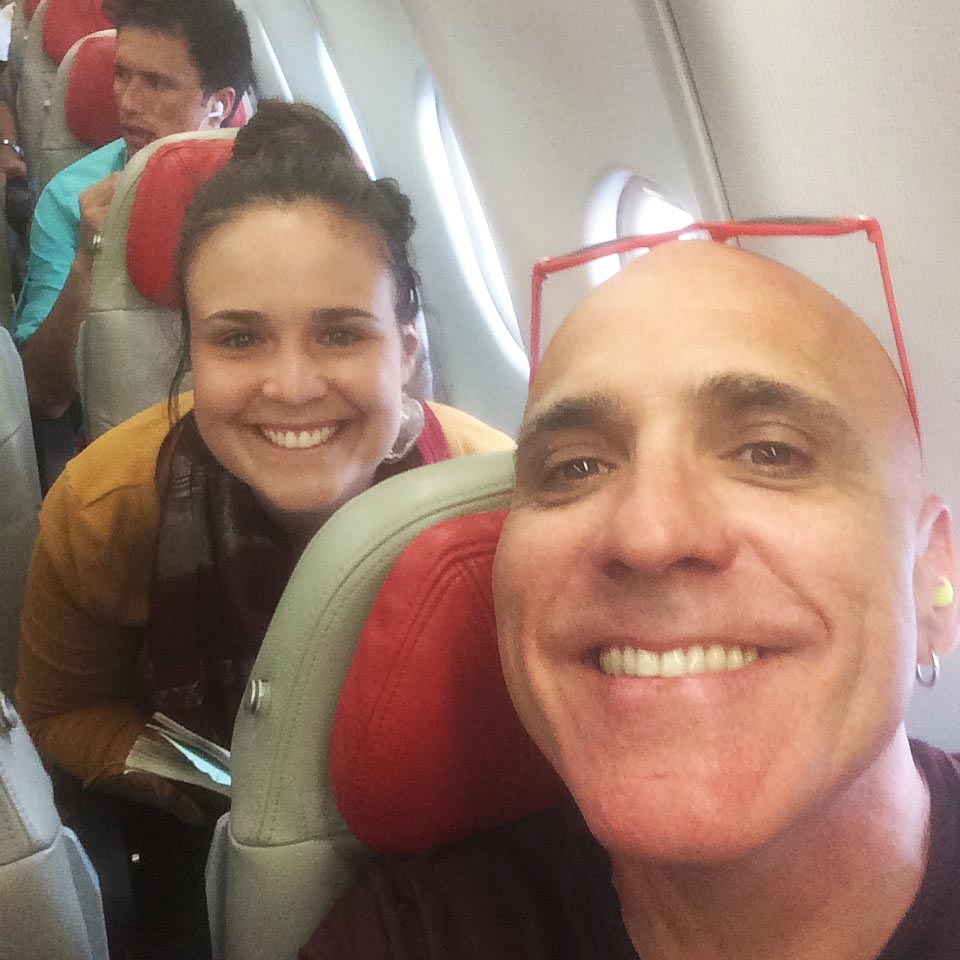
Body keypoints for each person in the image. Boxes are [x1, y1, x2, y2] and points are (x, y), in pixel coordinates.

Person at [302, 239, 960, 960]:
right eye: (575, 466)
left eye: (768, 453)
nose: (646, 534)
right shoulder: (411, 939)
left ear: (935, 585)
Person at [15, 120, 513, 956]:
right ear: (193, 354)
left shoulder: (492, 511)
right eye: (240, 338)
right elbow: (63, 710)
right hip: (200, 834)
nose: (291, 387)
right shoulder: (108, 504)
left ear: (408, 352)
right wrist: (216, 792)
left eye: (341, 333)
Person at [14, 0, 254, 422]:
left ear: (219, 103)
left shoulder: (273, 195)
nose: (127, 101)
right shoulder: (72, 196)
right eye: (120, 75)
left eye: (157, 83)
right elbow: (43, 394)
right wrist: (88, 259)